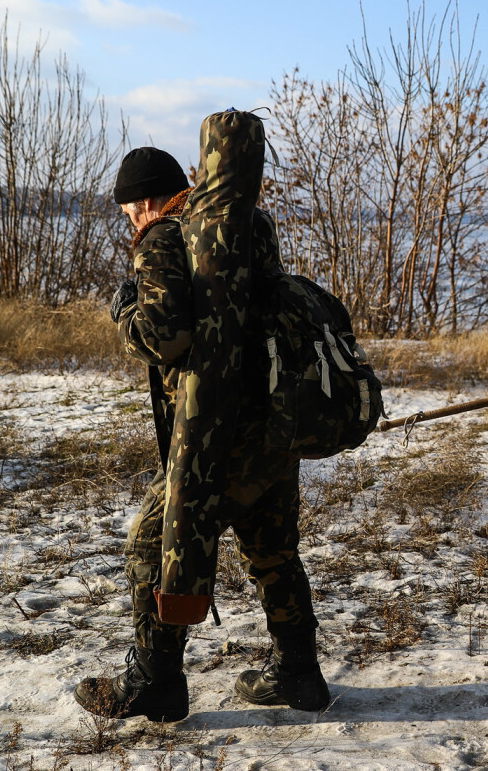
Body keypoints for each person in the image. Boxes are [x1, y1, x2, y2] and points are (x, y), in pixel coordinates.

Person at [74, 147, 329, 721]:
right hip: (273, 418)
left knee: (150, 542)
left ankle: (156, 680)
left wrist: (125, 311)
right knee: (271, 547)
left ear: (143, 201)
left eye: (127, 214)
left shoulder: (163, 237)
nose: (131, 225)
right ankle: (300, 674)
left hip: (212, 430)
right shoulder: (248, 224)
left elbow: (165, 337)